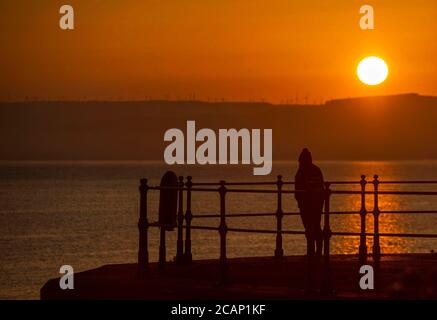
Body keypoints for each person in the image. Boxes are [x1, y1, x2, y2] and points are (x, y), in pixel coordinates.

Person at [294, 148, 325, 259]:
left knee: (309, 228)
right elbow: (322, 187)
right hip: (317, 203)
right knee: (316, 227)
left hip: (306, 204)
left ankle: (311, 252)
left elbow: (297, 191)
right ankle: (318, 252)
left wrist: (300, 202)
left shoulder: (300, 172)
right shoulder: (316, 170)